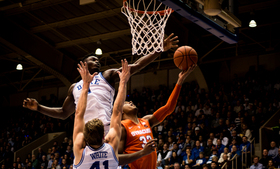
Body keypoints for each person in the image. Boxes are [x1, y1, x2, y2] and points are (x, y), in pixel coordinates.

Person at [23, 34, 178, 135]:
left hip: (107, 127)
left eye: (97, 59)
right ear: (83, 64)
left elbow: (136, 66)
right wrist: (38, 108)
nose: (97, 60)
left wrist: (159, 50)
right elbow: (64, 113)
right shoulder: (74, 87)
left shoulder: (107, 75)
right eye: (92, 59)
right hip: (86, 131)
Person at [71, 60, 155, 169]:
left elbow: (79, 113)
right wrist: (123, 82)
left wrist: (86, 86)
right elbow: (116, 112)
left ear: (84, 137)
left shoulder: (80, 152)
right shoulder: (110, 149)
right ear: (104, 136)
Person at [119, 65, 196, 169]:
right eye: (127, 102)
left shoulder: (146, 121)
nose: (131, 101)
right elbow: (117, 158)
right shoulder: (122, 127)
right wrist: (143, 153)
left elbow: (168, 108)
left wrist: (180, 81)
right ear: (121, 111)